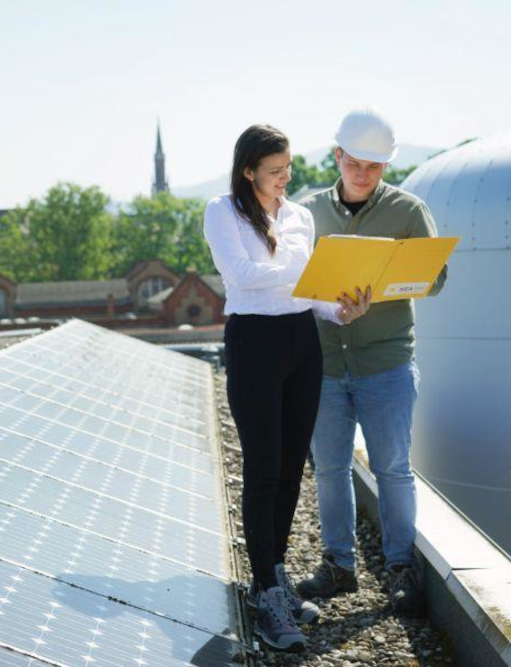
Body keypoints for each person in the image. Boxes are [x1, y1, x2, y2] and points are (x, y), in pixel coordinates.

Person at [203, 124, 371, 652]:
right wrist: (304, 270)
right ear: (248, 169)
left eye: (289, 169)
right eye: (275, 171)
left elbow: (315, 293)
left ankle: (271, 576)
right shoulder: (222, 211)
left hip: (303, 339)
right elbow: (243, 274)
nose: (285, 179)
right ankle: (270, 592)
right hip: (254, 341)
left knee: (293, 466)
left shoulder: (300, 216)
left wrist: (342, 310)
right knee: (263, 468)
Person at [296, 107, 448, 616]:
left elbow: (437, 278)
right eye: (355, 162)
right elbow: (289, 280)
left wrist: (380, 288)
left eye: (375, 166)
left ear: (386, 167)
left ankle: (401, 568)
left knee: (393, 470)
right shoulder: (305, 212)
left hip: (386, 364)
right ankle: (339, 567)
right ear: (337, 156)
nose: (363, 174)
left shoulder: (408, 212)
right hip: (322, 364)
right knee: (331, 470)